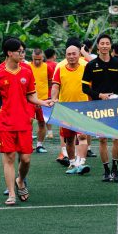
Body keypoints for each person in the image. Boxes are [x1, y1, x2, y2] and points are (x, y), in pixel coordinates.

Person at [0, 38, 53, 205]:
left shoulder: (27, 71)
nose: (22, 54)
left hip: (24, 121)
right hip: (6, 122)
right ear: (10, 53)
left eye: (23, 51)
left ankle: (20, 180)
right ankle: (11, 193)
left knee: (25, 159)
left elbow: (31, 96)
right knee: (9, 157)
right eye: (20, 51)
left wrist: (43, 102)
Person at [81, 34, 118, 183]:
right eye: (101, 43)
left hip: (116, 106)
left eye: (107, 43)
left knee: (116, 138)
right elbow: (84, 88)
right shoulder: (91, 65)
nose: (104, 46)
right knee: (102, 139)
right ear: (98, 46)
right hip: (99, 106)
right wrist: (99, 95)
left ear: (110, 46)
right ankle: (106, 170)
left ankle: (115, 169)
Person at [51, 44, 91, 175]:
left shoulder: (86, 68)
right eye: (69, 54)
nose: (72, 56)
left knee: (82, 135)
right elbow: (55, 87)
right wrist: (54, 99)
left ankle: (81, 162)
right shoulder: (60, 69)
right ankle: (72, 162)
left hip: (83, 108)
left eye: (74, 54)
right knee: (69, 139)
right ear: (65, 56)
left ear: (79, 54)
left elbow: (93, 85)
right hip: (65, 109)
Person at [29, 48, 51, 153]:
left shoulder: (48, 68)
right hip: (30, 100)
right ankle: (27, 145)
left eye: (39, 59)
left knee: (42, 123)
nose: (37, 61)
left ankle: (39, 145)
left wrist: (48, 97)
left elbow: (51, 84)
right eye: (35, 59)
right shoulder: (27, 67)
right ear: (32, 58)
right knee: (28, 122)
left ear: (43, 58)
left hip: (44, 101)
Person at [44, 48, 58, 138]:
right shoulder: (58, 65)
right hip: (57, 92)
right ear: (54, 56)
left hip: (46, 92)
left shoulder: (43, 65)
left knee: (47, 113)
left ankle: (49, 132)